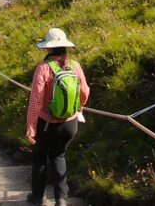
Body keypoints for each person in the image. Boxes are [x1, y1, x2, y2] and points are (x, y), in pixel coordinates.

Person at [25, 28, 90, 206]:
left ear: (48, 49)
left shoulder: (43, 69)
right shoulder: (75, 66)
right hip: (70, 123)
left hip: (46, 124)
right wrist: (77, 107)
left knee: (39, 156)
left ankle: (38, 197)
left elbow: (36, 100)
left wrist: (31, 127)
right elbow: (85, 92)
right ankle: (61, 199)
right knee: (59, 155)